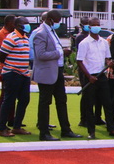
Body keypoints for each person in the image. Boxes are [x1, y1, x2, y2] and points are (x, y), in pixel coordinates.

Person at [32, 10, 82, 141]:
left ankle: (66, 130)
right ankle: (44, 133)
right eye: (57, 21)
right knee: (45, 102)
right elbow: (40, 55)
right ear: (49, 19)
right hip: (47, 72)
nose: (59, 24)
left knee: (61, 101)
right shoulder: (41, 33)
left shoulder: (51, 31)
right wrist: (60, 53)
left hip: (57, 70)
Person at [76, 17, 114, 139]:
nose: (96, 26)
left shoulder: (103, 42)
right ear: (89, 27)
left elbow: (107, 58)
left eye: (98, 24)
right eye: (94, 25)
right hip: (90, 77)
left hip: (101, 76)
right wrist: (89, 76)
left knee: (107, 103)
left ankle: (111, 129)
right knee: (89, 104)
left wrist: (109, 63)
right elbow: (79, 61)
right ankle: (91, 131)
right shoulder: (84, 43)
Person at [0, 17, 32, 138]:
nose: (27, 25)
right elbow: (1, 56)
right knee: (9, 101)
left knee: (24, 100)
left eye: (27, 23)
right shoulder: (11, 38)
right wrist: (10, 67)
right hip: (12, 73)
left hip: (24, 74)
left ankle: (17, 126)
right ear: (17, 25)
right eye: (24, 24)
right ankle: (2, 128)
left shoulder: (26, 38)